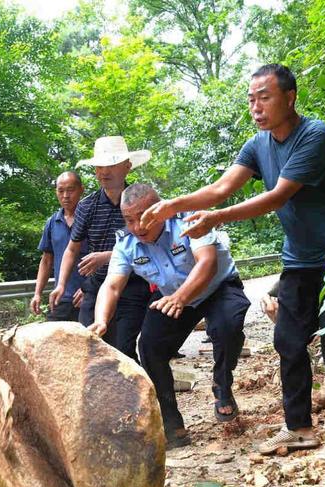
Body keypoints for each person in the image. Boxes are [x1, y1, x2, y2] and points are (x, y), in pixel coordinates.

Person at [141, 64, 325, 461]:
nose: (256, 107)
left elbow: (277, 197)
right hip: (299, 259)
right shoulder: (257, 144)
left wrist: (216, 218)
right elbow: (222, 187)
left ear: (290, 97)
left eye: (265, 97)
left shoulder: (313, 135)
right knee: (288, 341)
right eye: (251, 99)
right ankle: (298, 428)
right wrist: (173, 205)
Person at [88, 183, 250, 449]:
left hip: (217, 287)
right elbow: (112, 285)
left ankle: (222, 384)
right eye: (129, 220)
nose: (138, 227)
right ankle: (172, 424)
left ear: (160, 211)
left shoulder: (189, 219)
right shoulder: (126, 244)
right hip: (174, 297)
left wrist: (181, 298)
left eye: (144, 217)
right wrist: (102, 320)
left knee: (227, 326)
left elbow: (207, 263)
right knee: (150, 347)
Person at [48, 136, 152, 361]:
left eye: (111, 165)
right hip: (96, 287)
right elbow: (71, 249)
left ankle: (136, 394)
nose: (104, 172)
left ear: (127, 166)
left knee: (123, 349)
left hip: (133, 285)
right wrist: (61, 285)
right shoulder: (87, 205)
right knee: (91, 348)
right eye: (99, 166)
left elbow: (150, 244)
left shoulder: (142, 202)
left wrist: (107, 257)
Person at [30, 171, 86, 321]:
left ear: (82, 189)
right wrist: (37, 293)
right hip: (61, 297)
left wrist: (90, 288)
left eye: (70, 190)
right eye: (61, 191)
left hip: (87, 298)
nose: (65, 195)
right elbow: (46, 260)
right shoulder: (52, 222)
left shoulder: (92, 218)